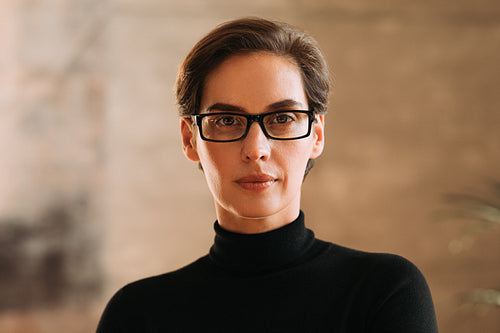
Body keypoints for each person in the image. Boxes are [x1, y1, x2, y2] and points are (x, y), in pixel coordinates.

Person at [97, 17, 438, 332]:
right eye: (228, 120)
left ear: (316, 135)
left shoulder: (385, 291)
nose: (255, 148)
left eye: (283, 118)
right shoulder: (137, 314)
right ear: (190, 139)